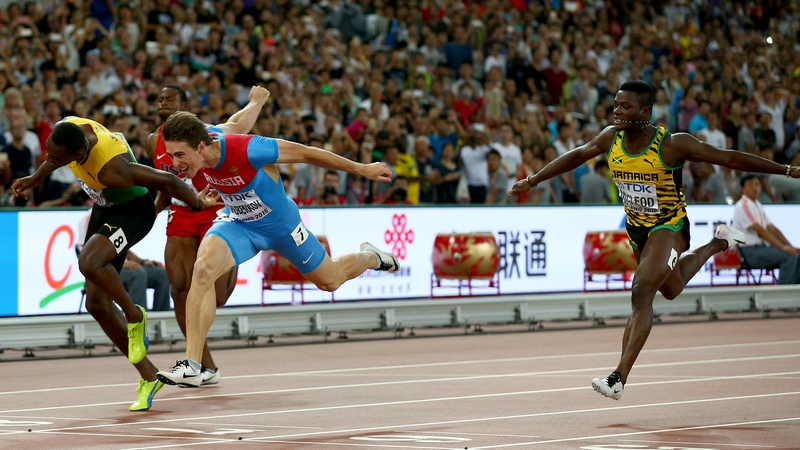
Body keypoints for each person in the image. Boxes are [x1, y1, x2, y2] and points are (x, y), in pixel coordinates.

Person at [509, 81, 800, 401]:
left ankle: (618, 377)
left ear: (645, 111)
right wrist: (533, 180)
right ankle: (718, 243)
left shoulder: (672, 144)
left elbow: (728, 158)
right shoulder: (610, 138)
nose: (617, 111)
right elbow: (577, 155)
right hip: (638, 230)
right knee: (671, 289)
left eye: (625, 106)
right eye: (616, 105)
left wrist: (785, 169)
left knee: (642, 290)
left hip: (669, 226)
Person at [156, 111, 399, 387]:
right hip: (240, 225)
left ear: (201, 146)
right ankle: (192, 364)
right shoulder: (208, 136)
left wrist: (362, 169)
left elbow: (306, 153)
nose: (174, 164)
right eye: (171, 155)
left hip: (283, 227)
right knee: (202, 270)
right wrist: (255, 102)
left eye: (180, 155)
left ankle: (371, 257)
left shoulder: (248, 148)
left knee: (330, 280)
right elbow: (236, 122)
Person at [11, 117, 219, 410]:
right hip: (105, 209)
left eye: (56, 158)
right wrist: (35, 177)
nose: (50, 159)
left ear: (78, 154)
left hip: (134, 213)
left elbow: (168, 181)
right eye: (49, 152)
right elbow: (54, 155)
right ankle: (149, 376)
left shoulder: (113, 168)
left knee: (89, 261)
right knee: (96, 304)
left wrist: (198, 203)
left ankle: (134, 315)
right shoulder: (68, 129)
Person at [147, 84, 269, 386]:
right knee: (179, 290)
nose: (163, 102)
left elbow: (233, 154)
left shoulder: (206, 134)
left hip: (214, 209)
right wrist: (149, 214)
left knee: (218, 295)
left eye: (170, 98)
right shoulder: (153, 140)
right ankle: (203, 366)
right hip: (181, 213)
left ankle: (235, 255)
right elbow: (164, 184)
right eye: (160, 99)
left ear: (185, 105)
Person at [732, 174, 800, 284]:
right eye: (751, 185)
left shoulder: (757, 205)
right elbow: (761, 231)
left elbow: (773, 229)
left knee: (796, 255)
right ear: (743, 189)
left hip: (761, 248)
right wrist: (783, 247)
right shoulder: (742, 205)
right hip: (748, 252)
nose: (755, 187)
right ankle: (782, 292)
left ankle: (794, 291)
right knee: (788, 258)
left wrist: (790, 246)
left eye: (757, 184)